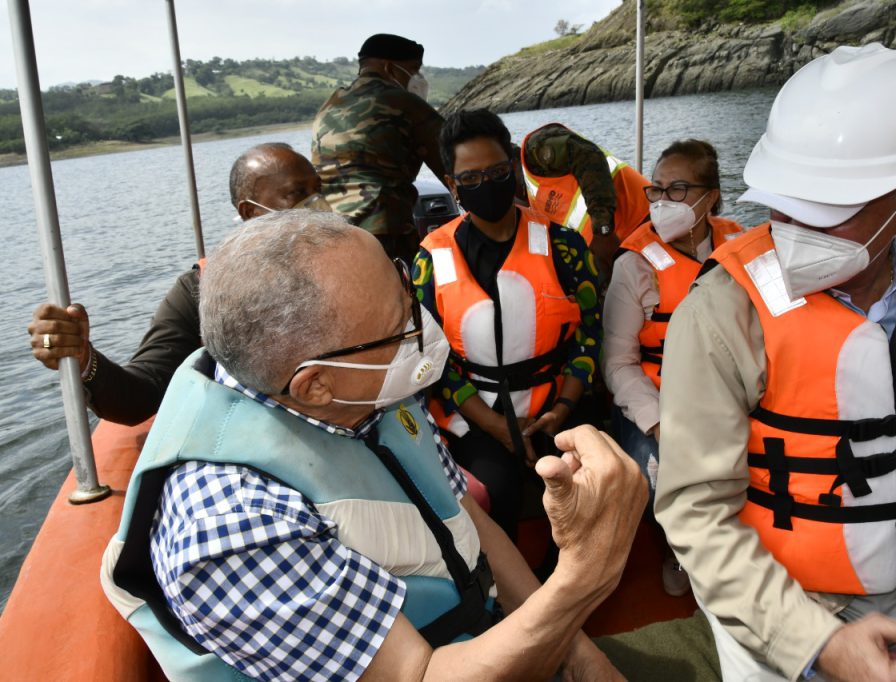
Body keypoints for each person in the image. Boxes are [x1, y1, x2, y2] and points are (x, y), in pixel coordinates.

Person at [100, 210, 645, 681]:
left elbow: (465, 522)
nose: (423, 326)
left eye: (404, 287)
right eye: (399, 326)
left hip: (478, 633)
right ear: (316, 383)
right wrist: (587, 573)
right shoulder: (231, 527)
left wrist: (582, 660)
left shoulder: (372, 392)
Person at [654, 43, 896, 682]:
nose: (795, 228)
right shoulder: (720, 311)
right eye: (784, 203)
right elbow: (695, 512)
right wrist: (816, 643)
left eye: (828, 212)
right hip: (778, 590)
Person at [26, 142, 326, 425]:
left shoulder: (356, 266)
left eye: (318, 190)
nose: (317, 204)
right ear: (250, 211)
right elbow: (140, 396)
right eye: (297, 193)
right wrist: (83, 358)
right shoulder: (204, 292)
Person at [414, 110, 602, 541]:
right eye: (471, 178)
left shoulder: (564, 245)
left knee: (589, 486)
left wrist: (563, 409)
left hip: (559, 405)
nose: (487, 185)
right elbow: (433, 359)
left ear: (514, 167)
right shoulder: (431, 259)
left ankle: (572, 575)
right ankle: (509, 592)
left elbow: (590, 334)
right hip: (479, 415)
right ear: (452, 183)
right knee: (492, 492)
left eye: (497, 172)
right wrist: (494, 425)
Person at [602, 139, 743, 597]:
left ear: (712, 196)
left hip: (734, 393)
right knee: (659, 471)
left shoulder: (743, 247)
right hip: (661, 401)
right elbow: (619, 364)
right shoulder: (634, 265)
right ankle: (675, 548)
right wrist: (660, 423)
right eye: (656, 189)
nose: (663, 202)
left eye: (678, 189)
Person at [312, 33, 445, 264]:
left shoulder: (329, 105)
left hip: (331, 233)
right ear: (390, 68)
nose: (417, 78)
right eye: (413, 69)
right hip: (384, 231)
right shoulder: (400, 101)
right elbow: (454, 156)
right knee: (400, 296)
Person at [520, 123, 651, 274]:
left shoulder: (535, 151)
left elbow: (587, 154)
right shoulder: (534, 202)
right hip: (625, 249)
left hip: (642, 218)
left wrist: (603, 232)